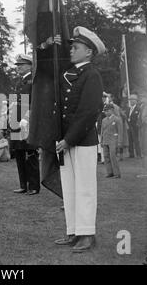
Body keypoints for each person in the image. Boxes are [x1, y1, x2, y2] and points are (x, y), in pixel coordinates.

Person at [54, 26, 105, 253]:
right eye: (72, 47)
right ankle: (73, 231)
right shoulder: (70, 74)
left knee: (84, 188)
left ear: (89, 52)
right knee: (70, 188)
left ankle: (87, 234)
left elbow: (88, 111)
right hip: (66, 141)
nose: (71, 51)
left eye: (76, 47)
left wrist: (69, 139)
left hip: (82, 140)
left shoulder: (91, 75)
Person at [10, 54, 40, 195]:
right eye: (17, 65)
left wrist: (27, 118)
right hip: (17, 122)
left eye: (21, 64)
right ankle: (23, 184)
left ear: (30, 65)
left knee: (30, 154)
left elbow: (36, 103)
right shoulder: (19, 82)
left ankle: (33, 186)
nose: (18, 67)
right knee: (19, 154)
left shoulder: (33, 81)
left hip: (27, 123)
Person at [101, 104, 123, 179]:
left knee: (113, 157)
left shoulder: (117, 119)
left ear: (112, 110)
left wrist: (120, 142)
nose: (106, 112)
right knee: (106, 157)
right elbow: (102, 131)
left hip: (113, 140)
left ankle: (117, 173)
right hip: (105, 140)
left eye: (108, 110)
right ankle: (109, 172)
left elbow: (120, 131)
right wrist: (101, 141)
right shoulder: (103, 120)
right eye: (105, 111)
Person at [126, 94, 142, 158]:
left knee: (136, 141)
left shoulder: (138, 108)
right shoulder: (129, 108)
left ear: (136, 100)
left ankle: (138, 154)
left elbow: (138, 118)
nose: (131, 101)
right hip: (129, 127)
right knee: (130, 141)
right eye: (130, 99)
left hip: (135, 127)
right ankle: (131, 154)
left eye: (132, 99)